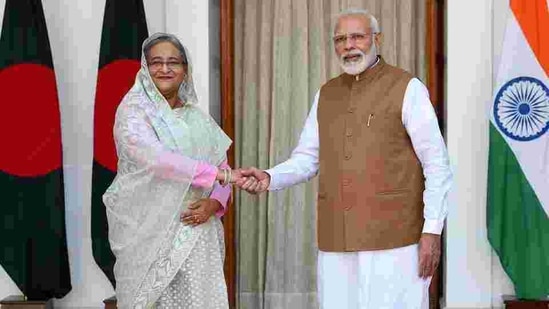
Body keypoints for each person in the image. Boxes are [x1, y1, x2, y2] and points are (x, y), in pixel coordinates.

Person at [237, 9, 453, 309]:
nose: (348, 45)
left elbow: (437, 164)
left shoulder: (408, 88)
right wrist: (270, 176)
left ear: (376, 40)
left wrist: (432, 230)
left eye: (357, 37)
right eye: (340, 39)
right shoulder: (326, 94)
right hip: (337, 239)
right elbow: (306, 159)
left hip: (396, 240)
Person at [103, 32, 240, 308]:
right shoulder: (133, 112)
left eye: (173, 62)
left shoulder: (198, 119)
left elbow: (223, 167)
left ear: (185, 71)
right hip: (149, 236)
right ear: (145, 68)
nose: (165, 68)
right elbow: (156, 159)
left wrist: (214, 203)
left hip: (197, 236)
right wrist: (218, 175)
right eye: (156, 62)